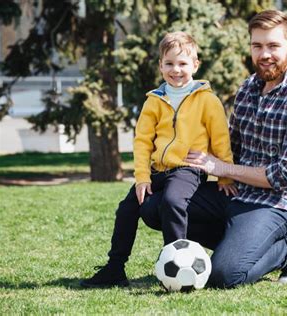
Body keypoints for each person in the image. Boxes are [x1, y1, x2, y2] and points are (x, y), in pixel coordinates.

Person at [184, 9, 287, 287]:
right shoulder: (248, 88)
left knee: (224, 275)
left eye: (273, 46)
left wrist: (222, 167)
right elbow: (233, 147)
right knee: (162, 206)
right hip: (236, 192)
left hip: (276, 203)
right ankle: (242, 242)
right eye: (257, 46)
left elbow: (283, 177)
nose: (264, 54)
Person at [80, 31, 235, 288]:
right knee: (127, 208)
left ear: (195, 65)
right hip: (156, 170)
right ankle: (114, 268)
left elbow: (220, 140)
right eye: (169, 64)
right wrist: (141, 178)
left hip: (188, 168)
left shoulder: (208, 100)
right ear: (161, 66)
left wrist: (225, 176)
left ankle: (175, 268)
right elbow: (142, 142)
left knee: (173, 202)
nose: (176, 70)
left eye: (183, 63)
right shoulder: (153, 100)